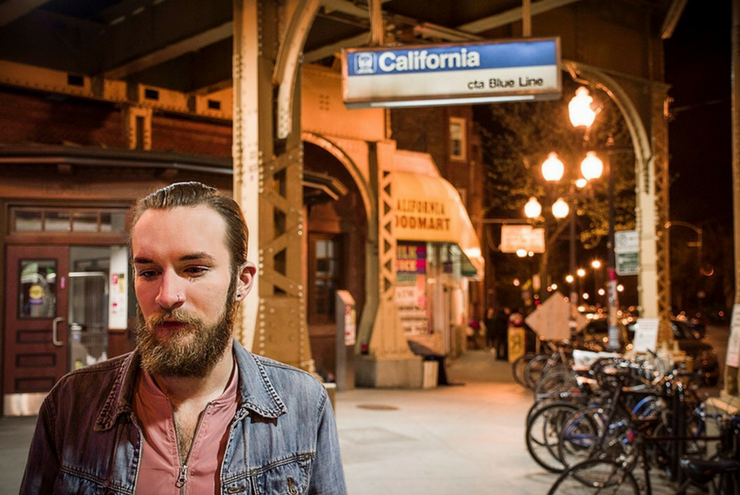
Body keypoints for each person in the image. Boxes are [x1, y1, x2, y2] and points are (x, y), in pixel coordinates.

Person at [20, 182, 347, 495]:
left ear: (242, 282)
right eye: (148, 272)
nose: (167, 295)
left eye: (194, 269)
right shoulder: (72, 403)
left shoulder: (302, 403)